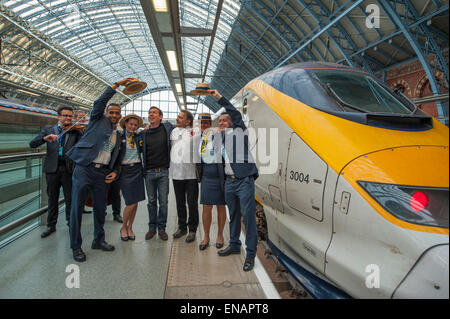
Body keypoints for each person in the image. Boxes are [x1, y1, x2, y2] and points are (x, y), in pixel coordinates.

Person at [67, 77, 133, 262]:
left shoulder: (119, 135)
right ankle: (76, 246)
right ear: (106, 112)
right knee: (77, 209)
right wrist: (116, 85)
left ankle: (98, 240)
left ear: (120, 116)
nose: (113, 115)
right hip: (84, 169)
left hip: (101, 174)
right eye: (111, 112)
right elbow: (99, 102)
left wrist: (115, 172)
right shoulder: (97, 120)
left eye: (116, 113)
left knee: (100, 209)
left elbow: (118, 159)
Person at [209, 89, 259, 272]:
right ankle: (235, 244)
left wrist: (219, 98)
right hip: (229, 182)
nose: (221, 123)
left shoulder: (239, 131)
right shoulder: (221, 138)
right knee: (234, 216)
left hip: (244, 179)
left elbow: (235, 113)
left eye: (224, 120)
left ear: (231, 122)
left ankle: (251, 254)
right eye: (219, 121)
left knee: (248, 217)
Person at [29, 106, 82, 238]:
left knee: (70, 199)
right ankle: (51, 225)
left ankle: (71, 225)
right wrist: (44, 139)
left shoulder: (75, 132)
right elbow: (32, 144)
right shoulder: (48, 129)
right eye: (65, 115)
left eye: (70, 116)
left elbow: (82, 146)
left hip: (69, 170)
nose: (68, 118)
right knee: (52, 198)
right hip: (52, 169)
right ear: (58, 116)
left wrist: (80, 132)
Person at [142, 106, 174, 241]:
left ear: (160, 116)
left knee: (164, 202)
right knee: (151, 201)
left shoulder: (167, 128)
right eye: (149, 113)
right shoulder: (144, 133)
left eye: (154, 113)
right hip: (149, 172)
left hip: (163, 172)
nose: (151, 114)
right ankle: (151, 227)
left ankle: (162, 228)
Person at [196, 113, 227, 250]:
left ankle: (220, 235)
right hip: (206, 177)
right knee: (206, 207)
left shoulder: (218, 136)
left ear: (210, 124)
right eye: (201, 123)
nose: (203, 126)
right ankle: (206, 236)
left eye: (206, 123)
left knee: (221, 206)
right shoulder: (198, 138)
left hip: (220, 176)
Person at [170, 110, 199, 243]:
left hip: (190, 174)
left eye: (180, 117)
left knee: (192, 203)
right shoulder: (174, 132)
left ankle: (192, 229)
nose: (177, 119)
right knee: (180, 203)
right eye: (178, 116)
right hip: (176, 173)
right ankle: (182, 227)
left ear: (188, 121)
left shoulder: (194, 132)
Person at [117, 114, 145, 241]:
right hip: (125, 171)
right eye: (131, 124)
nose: (133, 127)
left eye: (135, 125)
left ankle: (130, 227)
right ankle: (123, 227)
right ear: (125, 124)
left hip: (137, 169)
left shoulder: (138, 137)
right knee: (130, 202)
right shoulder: (118, 137)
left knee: (136, 201)